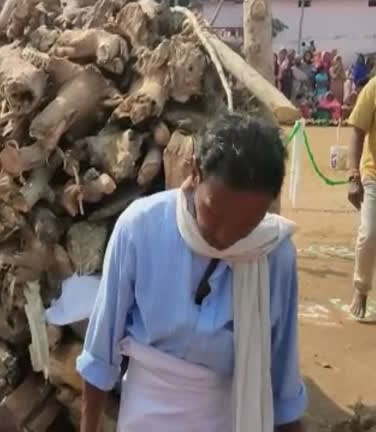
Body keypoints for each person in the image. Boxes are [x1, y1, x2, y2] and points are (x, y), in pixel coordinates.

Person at [78, 113, 306, 432]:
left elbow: (283, 378)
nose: (226, 237)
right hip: (145, 419)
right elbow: (100, 355)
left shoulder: (273, 254)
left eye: (247, 224)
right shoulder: (140, 228)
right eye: (215, 213)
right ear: (195, 171)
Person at [346, 73, 376, 320]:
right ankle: (361, 288)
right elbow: (357, 131)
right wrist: (353, 176)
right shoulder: (374, 88)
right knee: (369, 234)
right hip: (373, 174)